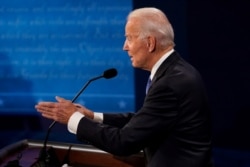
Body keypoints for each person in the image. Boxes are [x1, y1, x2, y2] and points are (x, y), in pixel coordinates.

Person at [35, 7, 213, 167]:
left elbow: (123, 143)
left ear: (150, 43)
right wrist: (92, 116)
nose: (124, 47)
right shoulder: (176, 71)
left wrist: (73, 118)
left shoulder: (170, 83)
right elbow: (144, 121)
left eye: (129, 38)